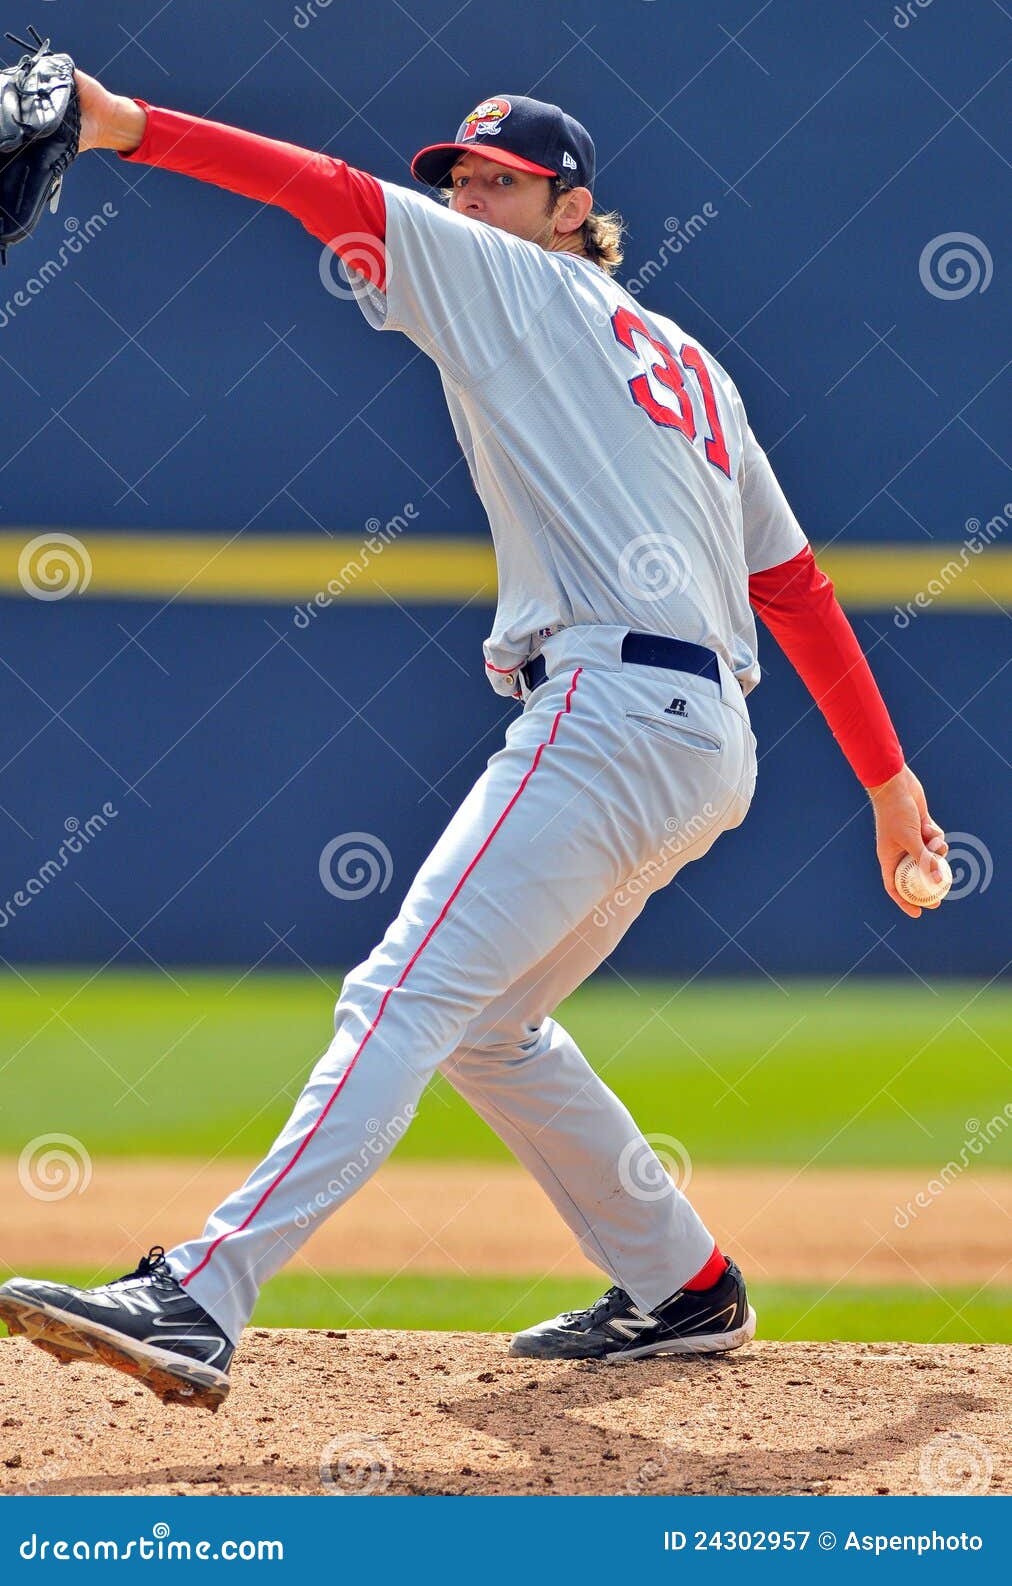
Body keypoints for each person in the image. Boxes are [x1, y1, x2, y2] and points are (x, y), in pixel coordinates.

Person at [0, 88, 948, 1411]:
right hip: (702, 742)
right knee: (490, 1026)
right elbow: (790, 585)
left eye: (501, 182)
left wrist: (119, 121)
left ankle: (199, 1296)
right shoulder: (693, 367)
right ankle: (681, 1281)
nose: (468, 202)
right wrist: (891, 784)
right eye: (459, 181)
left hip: (612, 714)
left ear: (572, 211)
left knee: (396, 996)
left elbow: (326, 191)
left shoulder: (513, 283)